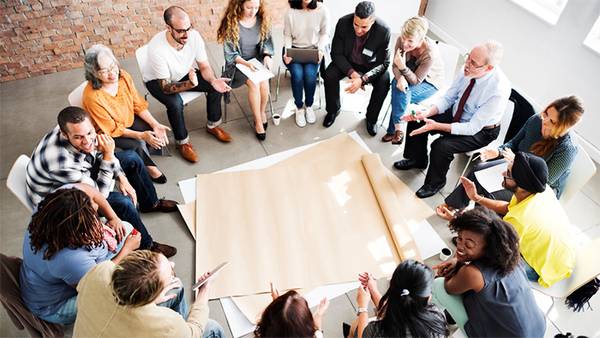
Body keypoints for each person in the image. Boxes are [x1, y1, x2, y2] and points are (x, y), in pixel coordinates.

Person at [26, 106, 177, 257]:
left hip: (81, 173)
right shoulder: (61, 165)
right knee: (124, 202)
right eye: (79, 137)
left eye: (90, 133)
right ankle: (147, 247)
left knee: (131, 158)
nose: (87, 141)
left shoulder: (76, 126)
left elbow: (99, 153)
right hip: (62, 202)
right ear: (64, 135)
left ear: (91, 125)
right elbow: (99, 195)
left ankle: (150, 203)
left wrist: (122, 177)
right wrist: (109, 155)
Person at [394, 41, 511, 199]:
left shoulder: (498, 90)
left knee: (441, 146)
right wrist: (427, 113)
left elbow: (472, 127)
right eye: (468, 57)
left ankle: (435, 182)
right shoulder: (468, 69)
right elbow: (449, 98)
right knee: (418, 119)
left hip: (482, 131)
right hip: (458, 112)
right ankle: (417, 159)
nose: (467, 64)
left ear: (488, 68)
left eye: (473, 63)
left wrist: (437, 126)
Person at [438, 95, 584, 212]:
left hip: (535, 188)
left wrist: (517, 164)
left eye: (551, 121)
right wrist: (498, 151)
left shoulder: (567, 148)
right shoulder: (536, 120)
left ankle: (476, 226)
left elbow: (543, 183)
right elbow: (513, 143)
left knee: (493, 195)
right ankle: (455, 205)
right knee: (477, 171)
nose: (544, 120)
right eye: (546, 113)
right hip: (515, 167)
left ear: (563, 127)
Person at [20, 187, 141, 325]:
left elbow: (93, 194)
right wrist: (127, 249)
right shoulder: (68, 259)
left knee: (125, 228)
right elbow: (97, 284)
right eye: (89, 215)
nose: (96, 206)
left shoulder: (54, 207)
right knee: (114, 296)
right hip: (54, 306)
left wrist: (113, 218)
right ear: (74, 230)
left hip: (47, 276)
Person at [453, 151, 576, 287]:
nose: (503, 174)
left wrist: (463, 246)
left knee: (482, 261)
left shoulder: (520, 220)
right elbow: (508, 208)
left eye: (509, 174)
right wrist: (476, 198)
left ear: (522, 185)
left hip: (544, 270)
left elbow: (497, 251)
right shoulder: (539, 189)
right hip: (563, 255)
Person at [432, 207, 545, 337]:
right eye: (459, 238)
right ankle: (451, 317)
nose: (459, 245)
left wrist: (455, 267)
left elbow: (449, 288)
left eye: (468, 245)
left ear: (489, 248)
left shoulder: (473, 274)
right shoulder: (510, 256)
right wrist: (457, 260)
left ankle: (430, 318)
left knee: (438, 285)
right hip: (536, 326)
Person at [142, 6, 233, 163]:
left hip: (183, 72)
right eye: (181, 31)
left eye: (188, 28)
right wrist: (190, 84)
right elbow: (165, 87)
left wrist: (212, 80)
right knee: (176, 104)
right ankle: (182, 142)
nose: (186, 35)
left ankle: (213, 125)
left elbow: (204, 66)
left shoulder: (194, 36)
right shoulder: (156, 48)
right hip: (158, 81)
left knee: (215, 86)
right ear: (168, 28)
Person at [73, 250, 225, 338]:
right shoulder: (168, 326)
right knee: (212, 327)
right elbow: (195, 330)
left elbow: (82, 289)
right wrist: (204, 289)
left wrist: (151, 301)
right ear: (150, 297)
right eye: (169, 274)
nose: (173, 264)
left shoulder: (101, 270)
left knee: (176, 288)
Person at [82, 44, 171, 183]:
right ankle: (150, 169)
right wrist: (141, 136)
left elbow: (137, 104)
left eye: (113, 66)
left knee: (151, 130)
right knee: (136, 144)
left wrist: (155, 124)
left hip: (127, 118)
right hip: (106, 131)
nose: (112, 74)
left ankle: (147, 154)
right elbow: (111, 128)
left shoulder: (123, 76)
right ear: (93, 73)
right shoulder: (92, 96)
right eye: (104, 71)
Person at [322, 1, 390, 136]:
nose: (359, 30)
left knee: (384, 80)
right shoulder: (343, 23)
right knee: (329, 75)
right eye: (356, 24)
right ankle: (333, 110)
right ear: (353, 17)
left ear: (373, 21)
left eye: (364, 27)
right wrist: (352, 74)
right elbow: (336, 53)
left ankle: (371, 119)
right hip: (347, 62)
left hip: (369, 66)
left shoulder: (383, 30)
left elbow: (384, 63)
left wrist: (363, 80)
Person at [382, 16, 444, 145]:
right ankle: (398, 130)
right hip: (410, 73)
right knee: (397, 86)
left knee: (401, 93)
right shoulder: (401, 40)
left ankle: (394, 130)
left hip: (430, 82)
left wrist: (402, 67)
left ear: (421, 39)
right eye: (404, 38)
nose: (404, 43)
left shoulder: (430, 54)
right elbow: (394, 66)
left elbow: (416, 80)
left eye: (410, 41)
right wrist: (399, 78)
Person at [217, 0, 274, 140]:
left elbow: (266, 42)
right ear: (240, 4)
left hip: (256, 62)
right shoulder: (231, 23)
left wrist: (267, 56)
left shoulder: (262, 20)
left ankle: (261, 112)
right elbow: (231, 55)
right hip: (238, 64)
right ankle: (258, 122)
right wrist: (247, 64)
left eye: (256, 7)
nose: (253, 11)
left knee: (264, 83)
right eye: (249, 7)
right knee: (255, 84)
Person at [347, 260, 448, 338]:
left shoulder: (377, 331)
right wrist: (373, 290)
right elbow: (398, 311)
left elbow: (364, 335)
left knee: (356, 325)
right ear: (428, 297)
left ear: (391, 286)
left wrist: (362, 308)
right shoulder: (437, 317)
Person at [283, 0, 330, 127]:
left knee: (310, 76)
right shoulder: (290, 12)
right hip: (294, 50)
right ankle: (299, 107)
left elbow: (325, 33)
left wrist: (320, 49)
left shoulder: (322, 10)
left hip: (313, 50)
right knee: (297, 76)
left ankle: (309, 105)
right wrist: (287, 52)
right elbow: (287, 35)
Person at [255, 283, 329, 337]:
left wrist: (276, 304)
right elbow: (317, 331)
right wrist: (319, 314)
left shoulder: (262, 333)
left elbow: (259, 319)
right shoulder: (314, 335)